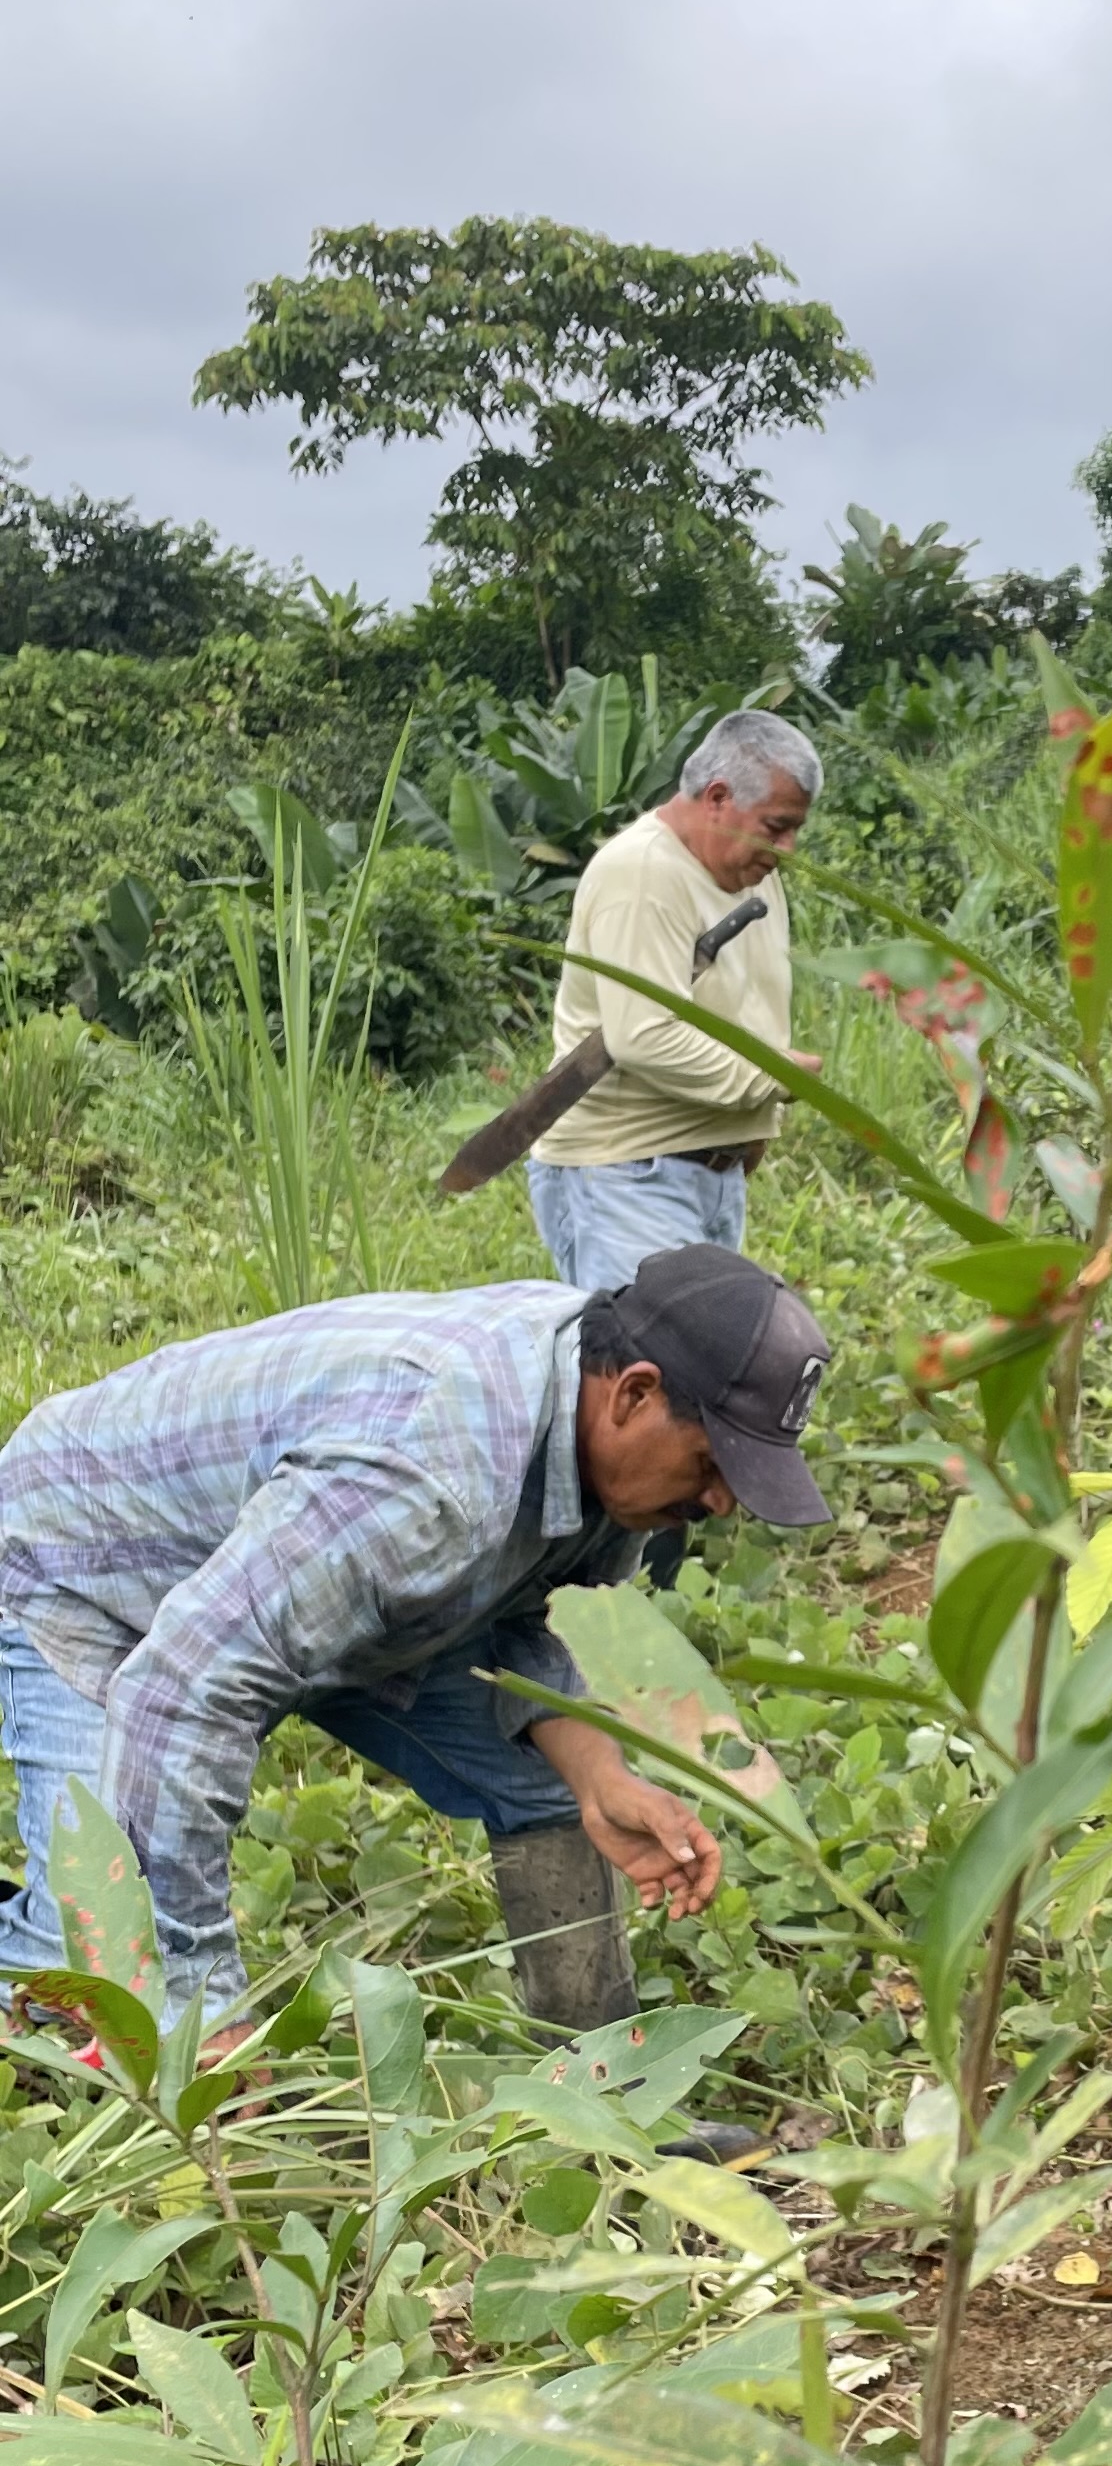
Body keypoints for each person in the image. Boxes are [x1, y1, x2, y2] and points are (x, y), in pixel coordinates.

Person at [0, 1248, 829, 2037]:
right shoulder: (427, 1474)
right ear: (635, 1394)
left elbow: (532, 1619)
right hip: (91, 1562)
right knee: (94, 1965)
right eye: (711, 1464)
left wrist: (600, 1778)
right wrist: (201, 2013)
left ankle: (604, 2082)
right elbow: (183, 1692)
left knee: (547, 1779)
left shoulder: (597, 1424)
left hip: (311, 1573)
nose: (721, 1503)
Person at [527, 710, 823, 1294]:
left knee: (704, 1349)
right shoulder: (642, 875)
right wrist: (771, 1077)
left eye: (795, 830)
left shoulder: (752, 873)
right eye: (776, 826)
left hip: (707, 1172)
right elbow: (644, 1035)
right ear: (718, 798)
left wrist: (753, 1128)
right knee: (653, 1351)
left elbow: (749, 1004)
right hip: (626, 1175)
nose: (788, 848)